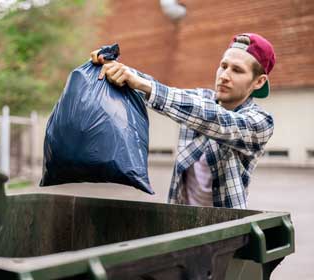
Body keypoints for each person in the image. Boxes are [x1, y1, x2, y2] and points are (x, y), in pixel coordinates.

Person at [90, 33, 276, 209]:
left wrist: (140, 83)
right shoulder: (201, 99)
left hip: (227, 234)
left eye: (237, 70)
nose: (224, 75)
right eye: (223, 66)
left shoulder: (260, 123)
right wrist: (118, 69)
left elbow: (214, 119)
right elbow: (162, 91)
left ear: (258, 82)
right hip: (184, 227)